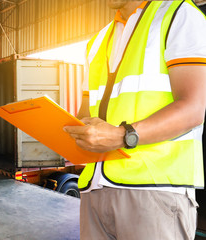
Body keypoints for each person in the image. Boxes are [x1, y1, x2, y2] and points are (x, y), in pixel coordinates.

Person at [63, 0, 206, 239]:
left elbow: (193, 107)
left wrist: (122, 135)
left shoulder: (177, 15)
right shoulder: (97, 42)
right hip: (94, 188)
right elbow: (85, 114)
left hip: (154, 190)